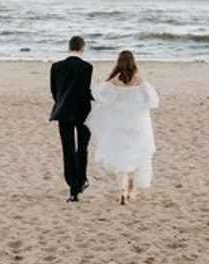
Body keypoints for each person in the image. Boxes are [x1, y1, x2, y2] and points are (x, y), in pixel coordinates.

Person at [86, 49, 159, 205]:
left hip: (119, 122)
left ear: (119, 62)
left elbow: (98, 93)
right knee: (137, 154)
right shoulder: (138, 79)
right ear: (133, 62)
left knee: (121, 158)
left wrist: (114, 104)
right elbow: (151, 101)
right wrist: (137, 108)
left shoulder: (115, 79)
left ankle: (122, 191)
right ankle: (131, 191)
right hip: (136, 122)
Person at [49, 35, 94, 202]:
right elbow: (84, 91)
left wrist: (62, 103)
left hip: (63, 111)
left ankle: (73, 189)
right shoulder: (87, 67)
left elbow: (55, 91)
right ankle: (81, 181)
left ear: (68, 48)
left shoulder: (56, 66)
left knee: (68, 150)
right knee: (82, 148)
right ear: (82, 49)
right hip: (83, 113)